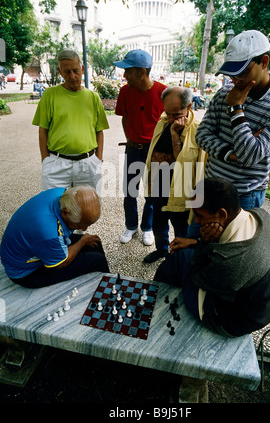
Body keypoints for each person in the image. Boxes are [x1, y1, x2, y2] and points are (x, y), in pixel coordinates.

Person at [154, 178, 270, 337]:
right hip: (257, 307)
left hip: (226, 321)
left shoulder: (229, 262)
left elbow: (197, 274)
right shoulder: (261, 216)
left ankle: (154, 311)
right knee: (184, 253)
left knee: (176, 260)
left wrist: (206, 242)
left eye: (199, 214)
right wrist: (195, 242)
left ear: (222, 214)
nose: (196, 220)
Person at [196, 30, 270, 210]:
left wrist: (235, 109)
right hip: (210, 185)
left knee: (239, 239)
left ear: (264, 62)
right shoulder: (223, 92)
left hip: (245, 194)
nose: (235, 80)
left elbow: (250, 156)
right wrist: (231, 153)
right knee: (195, 237)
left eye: (242, 72)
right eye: (231, 73)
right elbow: (202, 135)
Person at [143, 86, 206, 263]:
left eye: (176, 115)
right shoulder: (163, 121)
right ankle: (161, 250)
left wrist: (174, 135)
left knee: (180, 225)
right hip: (159, 181)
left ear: (189, 106)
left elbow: (184, 164)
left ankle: (179, 258)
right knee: (158, 220)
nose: (170, 118)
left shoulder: (197, 130)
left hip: (180, 187)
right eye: (167, 113)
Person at [0, 186, 109, 288]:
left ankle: (106, 282)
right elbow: (61, 263)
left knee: (94, 242)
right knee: (97, 260)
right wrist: (82, 241)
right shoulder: (49, 233)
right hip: (25, 273)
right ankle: (109, 290)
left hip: (31, 245)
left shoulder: (62, 193)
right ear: (66, 212)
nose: (85, 229)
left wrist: (84, 239)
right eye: (81, 225)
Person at [32, 50, 109, 192]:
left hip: (88, 164)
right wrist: (46, 161)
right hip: (57, 164)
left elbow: (100, 131)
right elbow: (43, 130)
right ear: (59, 71)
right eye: (67, 72)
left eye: (76, 71)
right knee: (55, 208)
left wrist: (98, 160)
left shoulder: (93, 97)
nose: (72, 76)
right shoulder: (50, 95)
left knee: (88, 211)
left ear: (83, 69)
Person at [113, 49, 167, 246]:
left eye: (128, 70)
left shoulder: (163, 92)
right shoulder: (125, 91)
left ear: (141, 72)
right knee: (130, 191)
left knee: (153, 193)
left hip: (156, 152)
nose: (125, 75)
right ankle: (130, 225)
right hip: (133, 149)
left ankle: (147, 227)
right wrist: (129, 139)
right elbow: (125, 118)